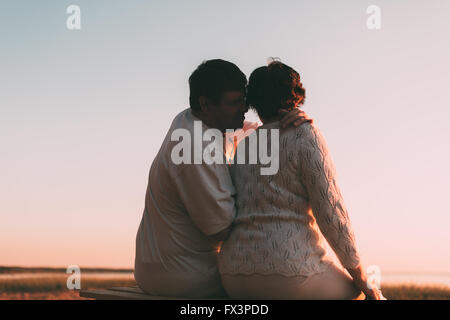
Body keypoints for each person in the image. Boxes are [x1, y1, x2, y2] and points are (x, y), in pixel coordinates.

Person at [134, 59, 312, 298]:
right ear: (206, 104)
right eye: (235, 103)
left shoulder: (193, 119)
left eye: (244, 101)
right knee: (284, 280)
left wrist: (290, 118)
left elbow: (258, 130)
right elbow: (221, 228)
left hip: (160, 269)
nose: (244, 109)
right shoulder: (194, 146)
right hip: (184, 277)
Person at [218, 61, 383, 300]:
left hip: (233, 275)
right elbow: (331, 213)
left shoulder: (244, 146)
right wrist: (362, 279)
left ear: (253, 101)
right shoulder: (306, 135)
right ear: (296, 97)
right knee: (356, 296)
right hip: (289, 275)